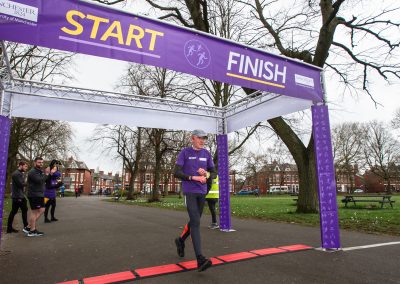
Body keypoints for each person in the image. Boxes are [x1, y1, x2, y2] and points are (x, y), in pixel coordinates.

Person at [174, 129, 216, 272]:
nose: (202, 141)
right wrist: (193, 177)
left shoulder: (207, 154)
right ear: (193, 138)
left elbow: (214, 173)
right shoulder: (185, 153)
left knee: (194, 221)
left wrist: (207, 173)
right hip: (190, 192)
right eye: (200, 138)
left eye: (204, 138)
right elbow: (176, 172)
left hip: (202, 192)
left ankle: (180, 241)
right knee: (196, 222)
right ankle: (200, 259)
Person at [25, 157, 55, 237]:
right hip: (34, 194)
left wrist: (50, 174)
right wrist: (47, 173)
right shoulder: (32, 172)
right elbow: (40, 180)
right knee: (34, 212)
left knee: (42, 209)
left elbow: (44, 179)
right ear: (35, 162)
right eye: (39, 162)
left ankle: (29, 227)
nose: (41, 164)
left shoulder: (39, 171)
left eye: (42, 162)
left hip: (39, 194)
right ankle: (32, 230)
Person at [7, 161, 29, 233]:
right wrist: (29, 183)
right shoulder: (16, 174)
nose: (26, 168)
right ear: (21, 165)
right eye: (25, 166)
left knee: (14, 211)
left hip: (18, 195)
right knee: (24, 210)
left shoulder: (18, 173)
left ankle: (9, 228)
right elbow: (20, 184)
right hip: (18, 196)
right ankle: (26, 227)